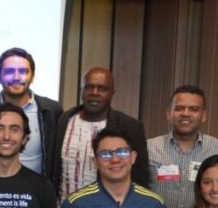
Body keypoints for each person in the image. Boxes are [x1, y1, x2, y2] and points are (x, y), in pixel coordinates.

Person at [51, 67, 149, 199]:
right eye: (89, 87)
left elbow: (140, 178)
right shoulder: (63, 120)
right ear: (82, 91)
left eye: (102, 88)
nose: (94, 93)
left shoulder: (130, 126)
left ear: (112, 93)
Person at [0, 47, 63, 174]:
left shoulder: (51, 110)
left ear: (32, 77)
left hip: (36, 190)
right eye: (9, 72)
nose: (16, 77)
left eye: (23, 71)